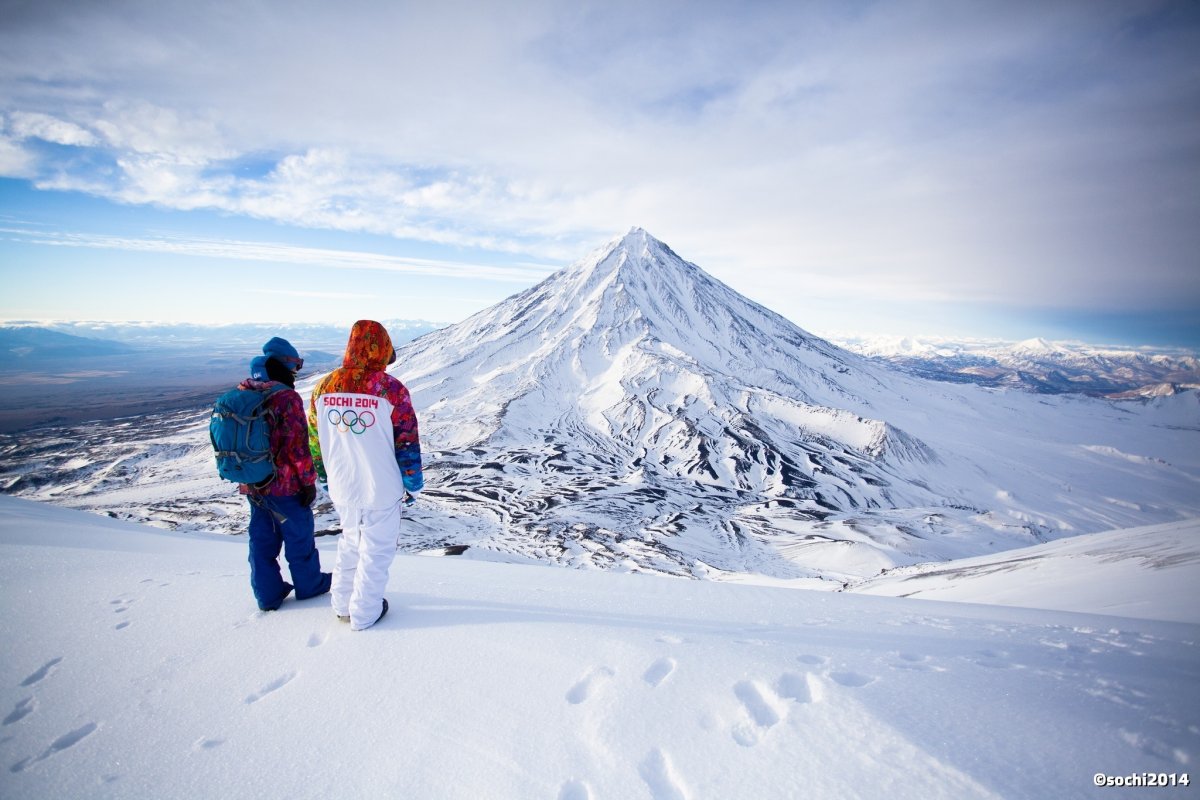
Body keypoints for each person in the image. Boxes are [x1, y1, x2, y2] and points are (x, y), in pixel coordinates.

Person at [308, 320, 424, 631]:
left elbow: (315, 442)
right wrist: (413, 483)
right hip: (381, 484)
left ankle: (341, 603)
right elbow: (407, 443)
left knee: (349, 541)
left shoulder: (323, 387)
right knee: (377, 548)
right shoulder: (390, 390)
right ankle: (365, 611)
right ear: (381, 349)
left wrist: (323, 475)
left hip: (342, 483)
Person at [240, 337, 331, 611]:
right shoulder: (285, 397)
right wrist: (308, 482)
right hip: (285, 487)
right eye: (293, 365)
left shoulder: (244, 391)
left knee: (262, 540)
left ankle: (267, 595)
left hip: (254, 483)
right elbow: (297, 445)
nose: (295, 371)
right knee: (298, 537)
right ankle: (309, 585)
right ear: (281, 364)